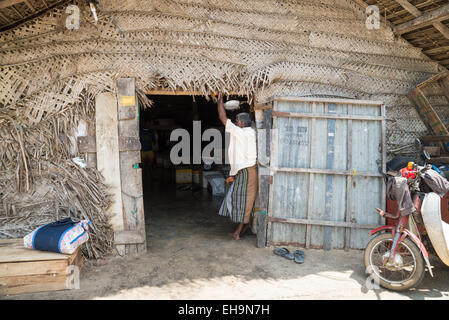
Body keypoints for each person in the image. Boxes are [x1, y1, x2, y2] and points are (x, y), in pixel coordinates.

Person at [216, 93, 258, 240]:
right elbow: (252, 116)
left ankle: (238, 232)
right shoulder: (251, 130)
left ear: (240, 123)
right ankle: (240, 230)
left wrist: (219, 99)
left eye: (236, 121)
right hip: (247, 171)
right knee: (241, 199)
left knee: (241, 200)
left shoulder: (240, 132)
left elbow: (222, 116)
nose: (234, 122)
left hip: (247, 171)